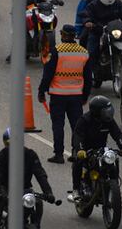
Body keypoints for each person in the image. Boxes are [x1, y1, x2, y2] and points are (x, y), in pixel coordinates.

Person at [0, 128, 56, 229]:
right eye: (9, 143)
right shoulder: (2, 155)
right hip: (6, 188)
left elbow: (40, 174)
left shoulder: (30, 154)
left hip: (24, 189)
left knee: (38, 202)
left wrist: (48, 192)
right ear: (6, 144)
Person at [36, 24, 91, 164]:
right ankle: (75, 152)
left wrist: (41, 91)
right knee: (76, 126)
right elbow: (88, 78)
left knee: (58, 125)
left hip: (58, 95)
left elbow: (48, 74)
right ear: (74, 36)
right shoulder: (84, 52)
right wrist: (85, 96)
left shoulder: (56, 51)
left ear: (63, 35)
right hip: (76, 96)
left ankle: (59, 154)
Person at [69, 96, 122, 200]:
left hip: (101, 149)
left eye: (109, 110)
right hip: (84, 149)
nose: (109, 113)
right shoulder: (84, 120)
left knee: (113, 160)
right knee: (78, 161)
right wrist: (80, 150)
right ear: (97, 112)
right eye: (105, 111)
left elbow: (118, 134)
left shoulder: (109, 121)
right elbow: (78, 136)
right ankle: (76, 189)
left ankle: (113, 183)